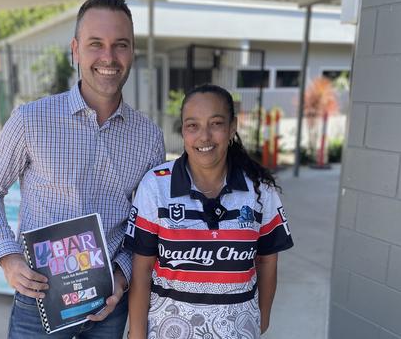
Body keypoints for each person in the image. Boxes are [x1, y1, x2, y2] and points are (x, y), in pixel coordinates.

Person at [0, 0, 165, 339]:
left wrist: (121, 278)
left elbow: (149, 224)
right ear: (75, 49)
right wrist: (7, 256)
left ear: (132, 51)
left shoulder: (149, 137)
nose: (108, 57)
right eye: (96, 44)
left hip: (109, 300)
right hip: (39, 296)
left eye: (120, 45)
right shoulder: (31, 120)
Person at [125, 84, 293, 339]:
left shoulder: (260, 189)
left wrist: (261, 318)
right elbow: (142, 269)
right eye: (193, 125)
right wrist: (137, 334)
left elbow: (268, 260)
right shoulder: (156, 185)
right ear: (183, 130)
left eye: (215, 123)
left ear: (232, 127)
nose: (204, 136)